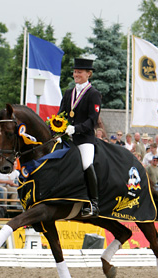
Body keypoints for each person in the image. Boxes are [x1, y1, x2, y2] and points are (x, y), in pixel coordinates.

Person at [58, 58, 101, 217]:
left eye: (79, 72)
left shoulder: (94, 94)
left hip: (84, 138)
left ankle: (94, 203)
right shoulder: (69, 93)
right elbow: (61, 113)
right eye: (75, 72)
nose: (76, 74)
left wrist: (75, 129)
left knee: (86, 164)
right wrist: (57, 126)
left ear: (88, 74)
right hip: (68, 137)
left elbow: (92, 120)